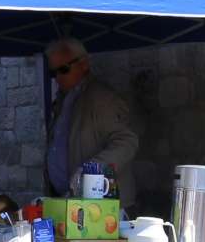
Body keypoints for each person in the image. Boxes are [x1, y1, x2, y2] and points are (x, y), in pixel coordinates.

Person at [44, 37, 140, 196]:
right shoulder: (62, 101)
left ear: (83, 64)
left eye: (63, 69)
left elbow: (126, 142)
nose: (58, 78)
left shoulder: (103, 99)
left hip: (101, 202)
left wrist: (91, 171)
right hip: (68, 200)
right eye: (53, 73)